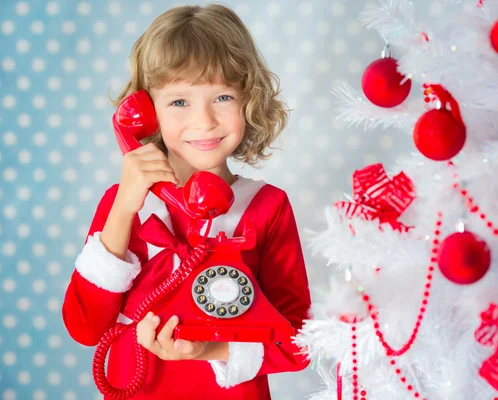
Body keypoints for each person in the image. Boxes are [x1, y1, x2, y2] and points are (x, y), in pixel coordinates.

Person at [62, 4, 311, 399]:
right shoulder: (124, 203)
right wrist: (125, 208)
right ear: (146, 112)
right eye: (179, 101)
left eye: (223, 96)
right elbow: (84, 327)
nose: (205, 121)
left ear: (249, 99)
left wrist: (213, 350)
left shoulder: (268, 206)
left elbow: (299, 342)